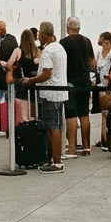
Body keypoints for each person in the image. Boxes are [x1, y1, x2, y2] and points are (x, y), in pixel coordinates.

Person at [22, 20, 67, 172]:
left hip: (50, 93)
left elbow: (47, 73)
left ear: (43, 34)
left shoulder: (48, 51)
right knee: (56, 126)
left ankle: (57, 162)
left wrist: (32, 81)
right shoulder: (60, 48)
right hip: (60, 92)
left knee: (52, 127)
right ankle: (53, 158)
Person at [60, 17, 95, 157]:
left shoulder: (64, 43)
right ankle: (87, 146)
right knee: (84, 113)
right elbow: (92, 62)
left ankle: (72, 147)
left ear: (68, 27)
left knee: (71, 114)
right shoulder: (87, 41)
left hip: (71, 82)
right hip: (85, 81)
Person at [13, 29, 39, 122]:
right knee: (34, 111)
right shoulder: (37, 51)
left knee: (23, 114)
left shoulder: (19, 51)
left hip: (22, 84)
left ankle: (24, 128)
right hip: (35, 82)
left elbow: (10, 63)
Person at [95, 31, 111, 147]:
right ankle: (103, 137)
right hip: (100, 84)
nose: (105, 45)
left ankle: (108, 137)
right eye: (103, 43)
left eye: (107, 42)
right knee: (102, 112)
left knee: (108, 111)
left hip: (109, 83)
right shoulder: (99, 53)